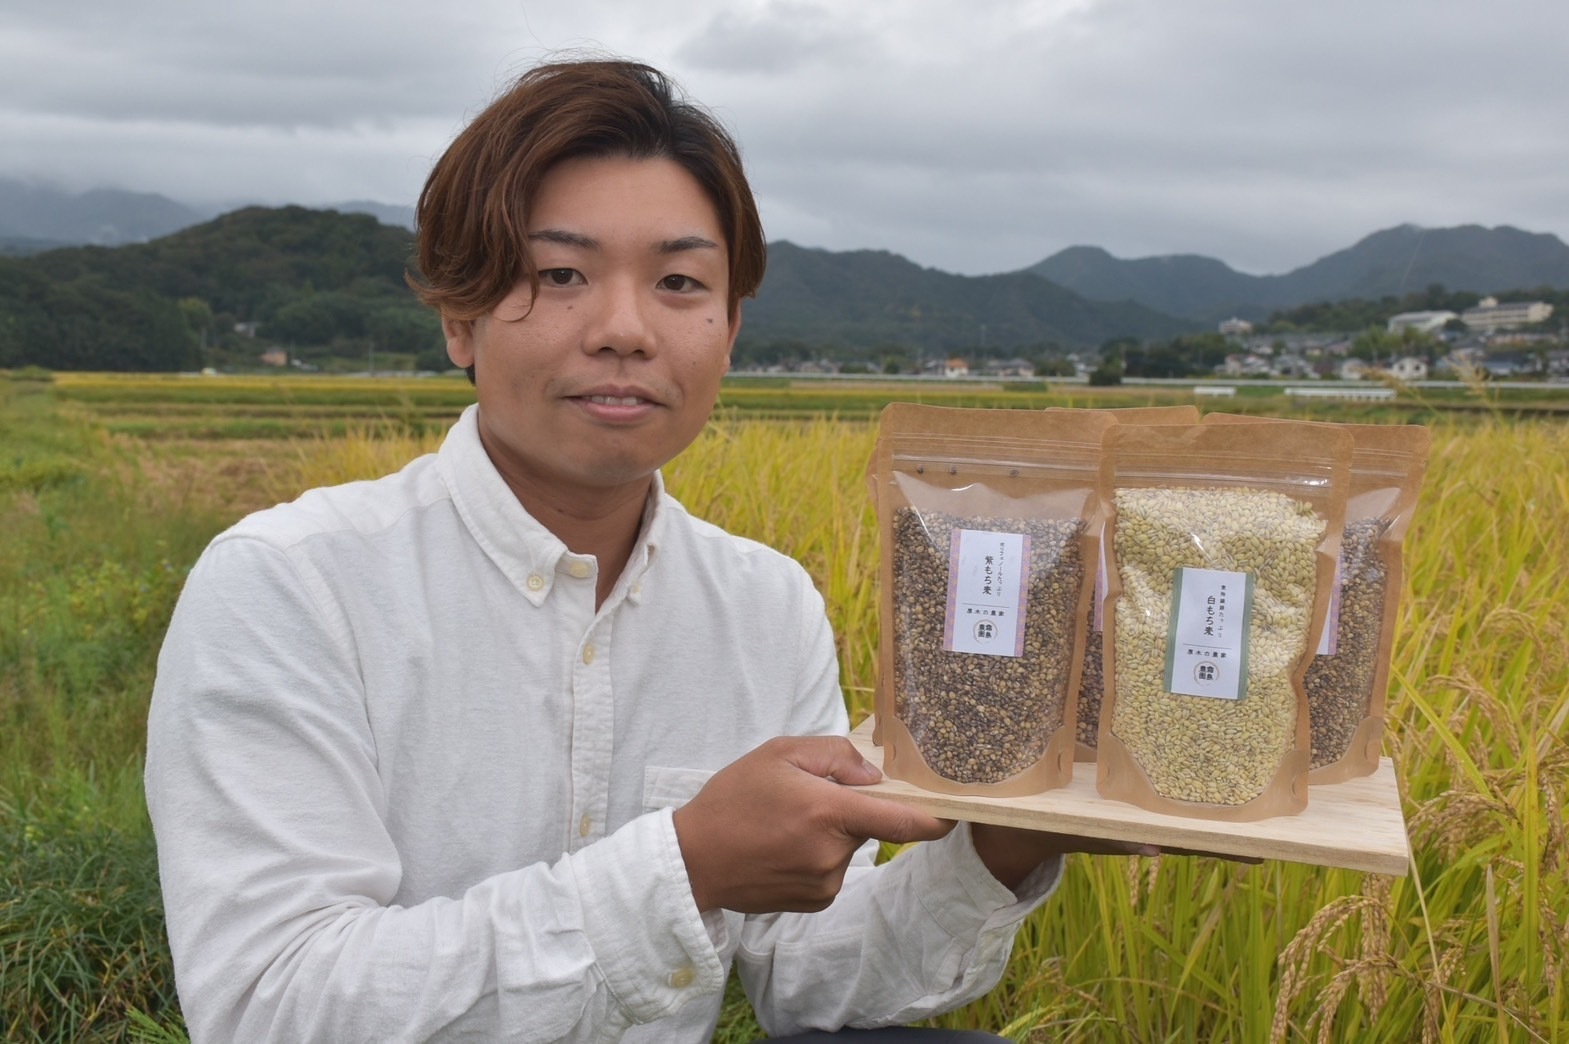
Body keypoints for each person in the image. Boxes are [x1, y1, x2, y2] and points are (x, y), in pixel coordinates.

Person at [144, 57, 1126, 1042]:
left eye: (679, 283)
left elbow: (814, 982)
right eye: (560, 275)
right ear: (459, 316)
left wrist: (1005, 838)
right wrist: (684, 867)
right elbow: (269, 1004)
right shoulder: (291, 584)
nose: (625, 330)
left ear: (730, 326)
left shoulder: (763, 605)